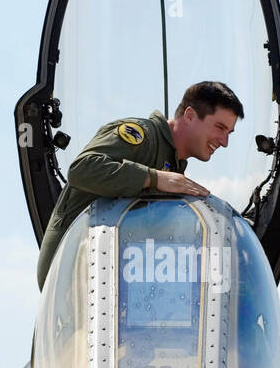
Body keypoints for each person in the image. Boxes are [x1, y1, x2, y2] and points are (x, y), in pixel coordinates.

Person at [35, 80, 244, 290]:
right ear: (189, 115)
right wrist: (156, 178)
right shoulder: (142, 137)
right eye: (220, 127)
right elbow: (82, 169)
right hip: (70, 278)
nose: (224, 142)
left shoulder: (173, 166)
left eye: (229, 133)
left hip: (107, 280)